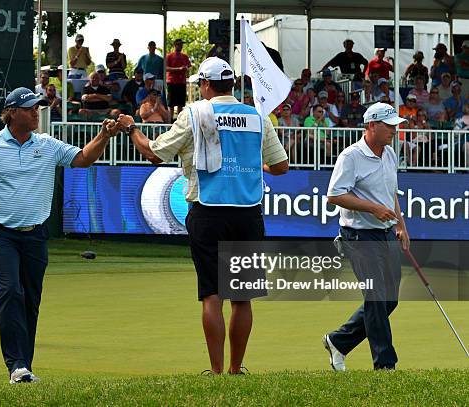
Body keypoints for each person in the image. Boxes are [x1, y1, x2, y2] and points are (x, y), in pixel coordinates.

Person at [115, 57, 289, 374]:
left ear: (206, 84)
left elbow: (154, 153)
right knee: (242, 298)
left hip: (208, 212)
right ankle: (237, 369)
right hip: (247, 214)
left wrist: (132, 129)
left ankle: (217, 370)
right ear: (232, 84)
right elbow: (280, 167)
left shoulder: (194, 114)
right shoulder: (257, 117)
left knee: (212, 295)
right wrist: (253, 165)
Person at [0, 87, 117, 384]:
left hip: (36, 235)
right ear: (12, 112)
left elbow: (82, 159)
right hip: (0, 234)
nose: (36, 113)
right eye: (30, 108)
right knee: (11, 291)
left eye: (38, 108)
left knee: (30, 299)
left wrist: (103, 136)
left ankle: (24, 366)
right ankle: (15, 364)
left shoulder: (47, 145)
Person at [324, 102, 409, 371]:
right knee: (375, 297)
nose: (394, 130)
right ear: (372, 125)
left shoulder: (390, 154)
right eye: (389, 125)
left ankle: (338, 340)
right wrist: (373, 208)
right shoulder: (350, 157)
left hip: (385, 233)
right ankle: (385, 365)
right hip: (358, 236)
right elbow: (335, 195)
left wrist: (401, 225)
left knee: (389, 300)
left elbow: (391, 192)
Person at [165, 38, 191, 116]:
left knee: (180, 104)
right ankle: (170, 122)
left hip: (181, 82)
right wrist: (178, 69)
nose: (180, 46)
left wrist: (185, 69)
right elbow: (166, 68)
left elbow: (189, 66)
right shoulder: (169, 56)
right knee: (171, 104)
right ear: (175, 45)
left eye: (181, 44)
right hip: (172, 82)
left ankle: (178, 121)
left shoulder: (185, 56)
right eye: (179, 44)